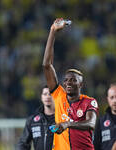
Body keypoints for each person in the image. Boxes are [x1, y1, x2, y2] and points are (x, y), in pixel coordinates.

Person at [43, 18, 99, 150]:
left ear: (81, 85)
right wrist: (52, 32)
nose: (68, 82)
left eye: (73, 80)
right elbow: (46, 65)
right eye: (66, 80)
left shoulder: (89, 102)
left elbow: (91, 123)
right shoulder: (58, 96)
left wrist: (67, 124)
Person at [17, 86, 55, 150]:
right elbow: (23, 143)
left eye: (50, 94)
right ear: (41, 97)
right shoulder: (32, 121)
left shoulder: (62, 119)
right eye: (45, 94)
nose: (48, 97)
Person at [94, 83, 116, 150]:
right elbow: (96, 146)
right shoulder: (101, 121)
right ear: (108, 99)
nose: (115, 101)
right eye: (112, 97)